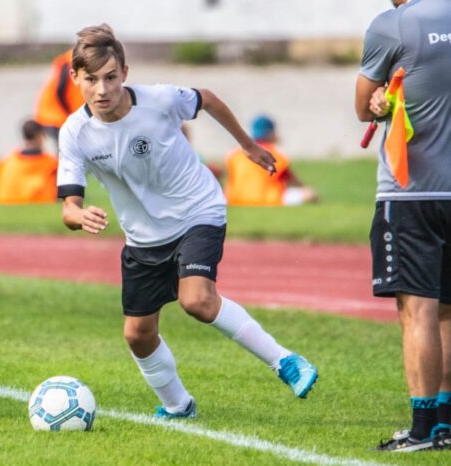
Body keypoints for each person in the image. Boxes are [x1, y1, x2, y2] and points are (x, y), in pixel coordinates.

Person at [58, 24, 318, 419]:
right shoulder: (74, 133)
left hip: (198, 211)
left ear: (125, 73)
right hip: (143, 237)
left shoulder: (159, 100)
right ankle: (178, 406)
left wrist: (248, 146)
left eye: (111, 77)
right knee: (137, 334)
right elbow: (68, 206)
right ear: (75, 78)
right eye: (91, 79)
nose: (102, 89)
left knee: (196, 299)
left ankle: (286, 361)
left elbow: (208, 100)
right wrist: (78, 214)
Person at [356, 0, 451, 452]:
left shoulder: (392, 24)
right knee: (449, 312)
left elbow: (363, 106)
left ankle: (422, 428)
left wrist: (380, 101)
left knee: (418, 313)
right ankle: (447, 423)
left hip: (410, 194)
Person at [224, 115, 318, 206]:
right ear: (271, 133)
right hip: (270, 200)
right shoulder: (276, 154)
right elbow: (291, 180)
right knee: (309, 194)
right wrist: (306, 188)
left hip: (236, 199)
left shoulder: (233, 154)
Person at [0, 119, 58, 204]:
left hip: (4, 199)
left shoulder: (7, 160)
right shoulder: (50, 162)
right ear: (39, 136)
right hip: (40, 200)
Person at [34, 49, 85, 149]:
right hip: (56, 116)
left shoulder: (80, 58)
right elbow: (60, 90)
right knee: (66, 152)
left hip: (58, 115)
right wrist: (71, 114)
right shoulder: (72, 60)